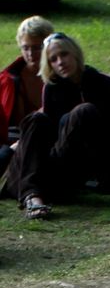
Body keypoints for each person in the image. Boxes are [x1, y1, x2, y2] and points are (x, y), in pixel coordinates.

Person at [6, 32, 110, 220]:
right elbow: (47, 135)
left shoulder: (107, 84)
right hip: (50, 165)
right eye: (53, 60)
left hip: (87, 162)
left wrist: (104, 165)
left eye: (64, 55)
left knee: (85, 112)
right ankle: (32, 196)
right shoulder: (51, 87)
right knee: (36, 120)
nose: (60, 62)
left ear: (75, 54)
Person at [0, 15, 53, 176]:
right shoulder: (7, 79)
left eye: (37, 48)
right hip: (10, 144)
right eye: (25, 48)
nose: (31, 54)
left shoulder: (62, 77)